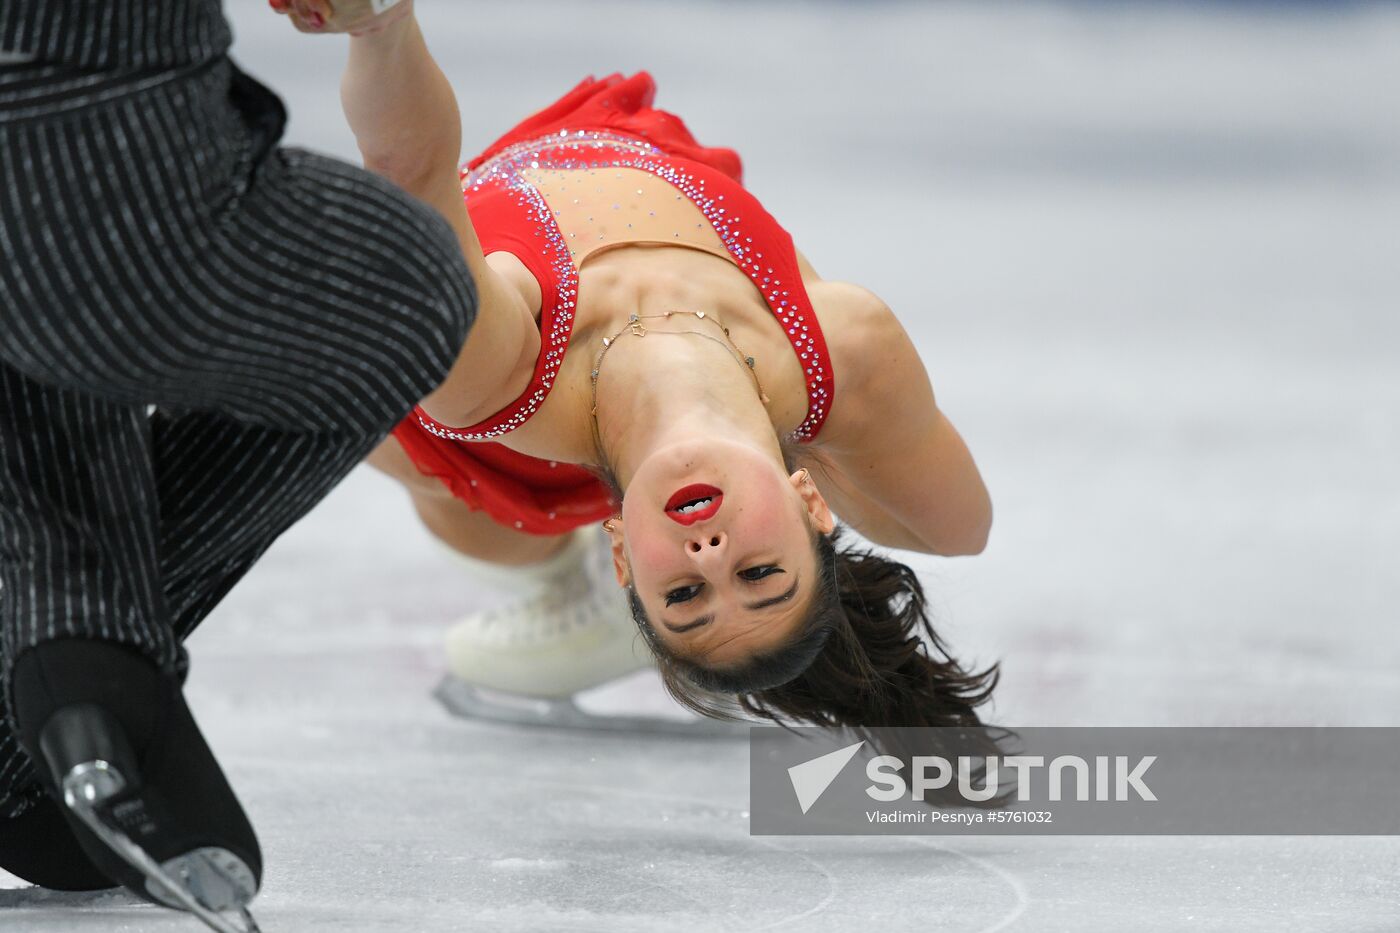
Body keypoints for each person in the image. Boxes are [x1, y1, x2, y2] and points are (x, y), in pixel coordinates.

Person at [276, 0, 1001, 736]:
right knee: (950, 526)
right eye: (759, 573)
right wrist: (789, 449)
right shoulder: (842, 349)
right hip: (636, 202)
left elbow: (412, 176)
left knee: (381, 405)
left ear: (625, 555)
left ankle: (568, 575)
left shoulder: (499, 376)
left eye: (683, 594)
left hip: (452, 416)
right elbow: (962, 530)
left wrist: (379, 24)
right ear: (812, 505)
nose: (709, 556)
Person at [0, 0, 494, 926]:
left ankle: (75, 648)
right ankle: (80, 663)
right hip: (76, 136)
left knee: (53, 327)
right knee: (403, 291)